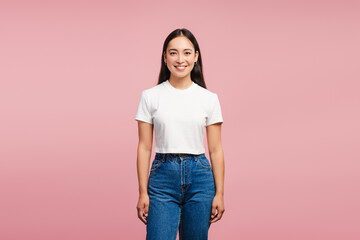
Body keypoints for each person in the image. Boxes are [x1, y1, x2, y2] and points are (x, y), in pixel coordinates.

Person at [135, 28, 225, 240]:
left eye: (186, 52)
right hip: (162, 178)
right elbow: (144, 147)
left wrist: (220, 193)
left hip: (200, 178)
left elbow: (215, 149)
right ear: (165, 57)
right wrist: (142, 192)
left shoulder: (209, 98)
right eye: (173, 52)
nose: (180, 59)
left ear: (195, 57)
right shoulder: (150, 97)